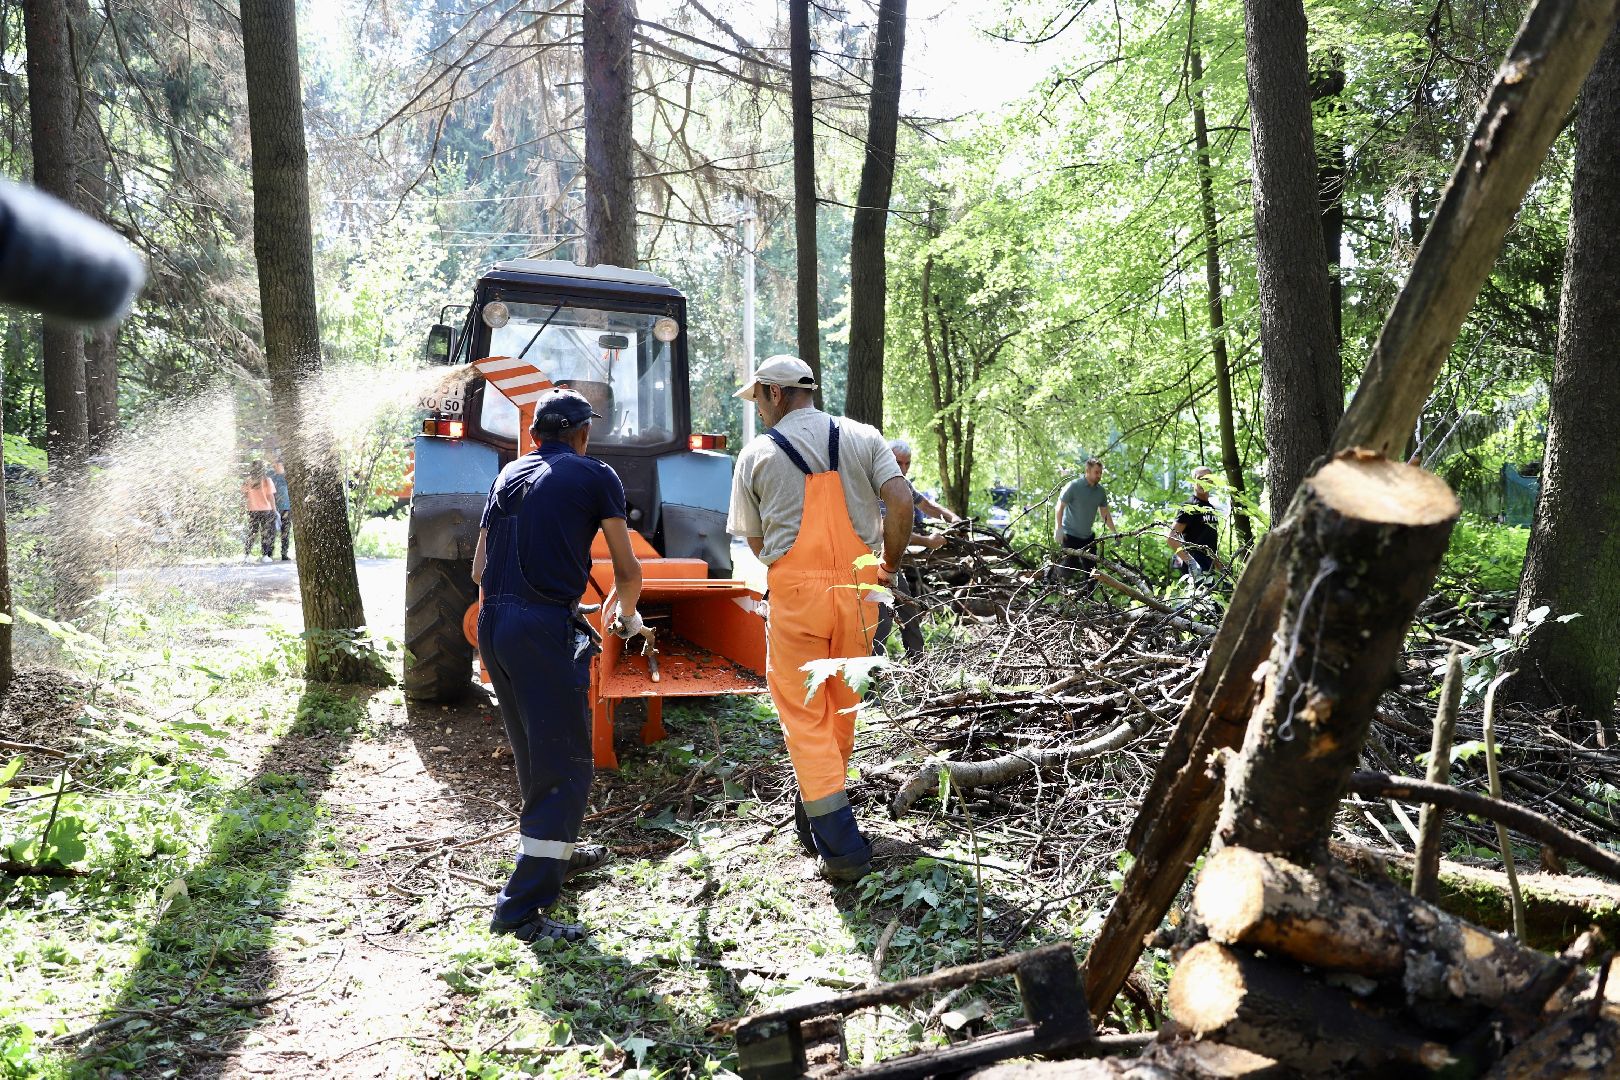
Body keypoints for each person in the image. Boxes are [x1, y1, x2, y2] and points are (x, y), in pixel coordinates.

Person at [728, 355, 913, 883]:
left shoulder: (757, 454)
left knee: (803, 715)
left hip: (798, 598)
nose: (759, 410)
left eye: (759, 399)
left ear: (775, 393)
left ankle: (842, 847)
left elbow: (759, 544)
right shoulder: (864, 436)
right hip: (861, 591)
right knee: (840, 706)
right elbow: (899, 499)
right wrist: (889, 565)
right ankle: (814, 819)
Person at [471, 388, 645, 944]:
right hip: (541, 628)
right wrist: (627, 615)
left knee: (533, 753)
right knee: (569, 762)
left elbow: (479, 567)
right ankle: (521, 910)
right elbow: (628, 569)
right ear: (582, 434)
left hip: (494, 625)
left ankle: (554, 852)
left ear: (535, 434)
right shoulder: (597, 476)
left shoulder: (507, 477)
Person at [875, 439, 957, 657]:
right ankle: (870, 680)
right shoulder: (875, 485)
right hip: (871, 565)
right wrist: (927, 541)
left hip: (891, 564)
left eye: (907, 463)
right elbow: (888, 531)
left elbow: (927, 505)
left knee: (909, 612)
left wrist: (953, 518)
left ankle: (919, 667)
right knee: (880, 621)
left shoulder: (903, 485)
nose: (902, 468)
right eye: (897, 462)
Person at [1052, 457, 1117, 586]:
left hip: (1087, 537)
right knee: (1068, 567)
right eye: (1096, 472)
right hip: (1069, 536)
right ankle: (1049, 584)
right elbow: (1060, 507)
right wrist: (1058, 528)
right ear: (1087, 471)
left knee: (1092, 571)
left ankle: (1088, 597)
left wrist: (1114, 532)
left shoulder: (1100, 492)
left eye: (1100, 472)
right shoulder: (1074, 486)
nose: (1099, 475)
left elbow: (1104, 513)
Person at [1167, 466, 1224, 580]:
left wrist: (1222, 569)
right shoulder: (1189, 507)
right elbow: (1171, 538)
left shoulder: (1211, 508)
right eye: (1200, 478)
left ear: (1212, 481)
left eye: (1207, 478)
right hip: (1194, 572)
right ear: (1193, 482)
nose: (1204, 482)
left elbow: (1210, 544)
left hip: (1209, 569)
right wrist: (1192, 564)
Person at [241, 461, 277, 563]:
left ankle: (246, 555)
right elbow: (271, 497)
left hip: (252, 510)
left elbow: (245, 495)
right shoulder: (267, 480)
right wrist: (275, 511)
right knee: (265, 533)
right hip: (266, 510)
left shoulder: (247, 481)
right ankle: (265, 556)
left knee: (252, 532)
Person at [270, 456, 292, 561]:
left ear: (281, 465)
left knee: (285, 532)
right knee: (271, 531)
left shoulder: (288, 477)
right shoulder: (271, 476)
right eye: (274, 465)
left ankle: (284, 553)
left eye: (277, 464)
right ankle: (269, 554)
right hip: (273, 508)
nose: (275, 466)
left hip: (286, 508)